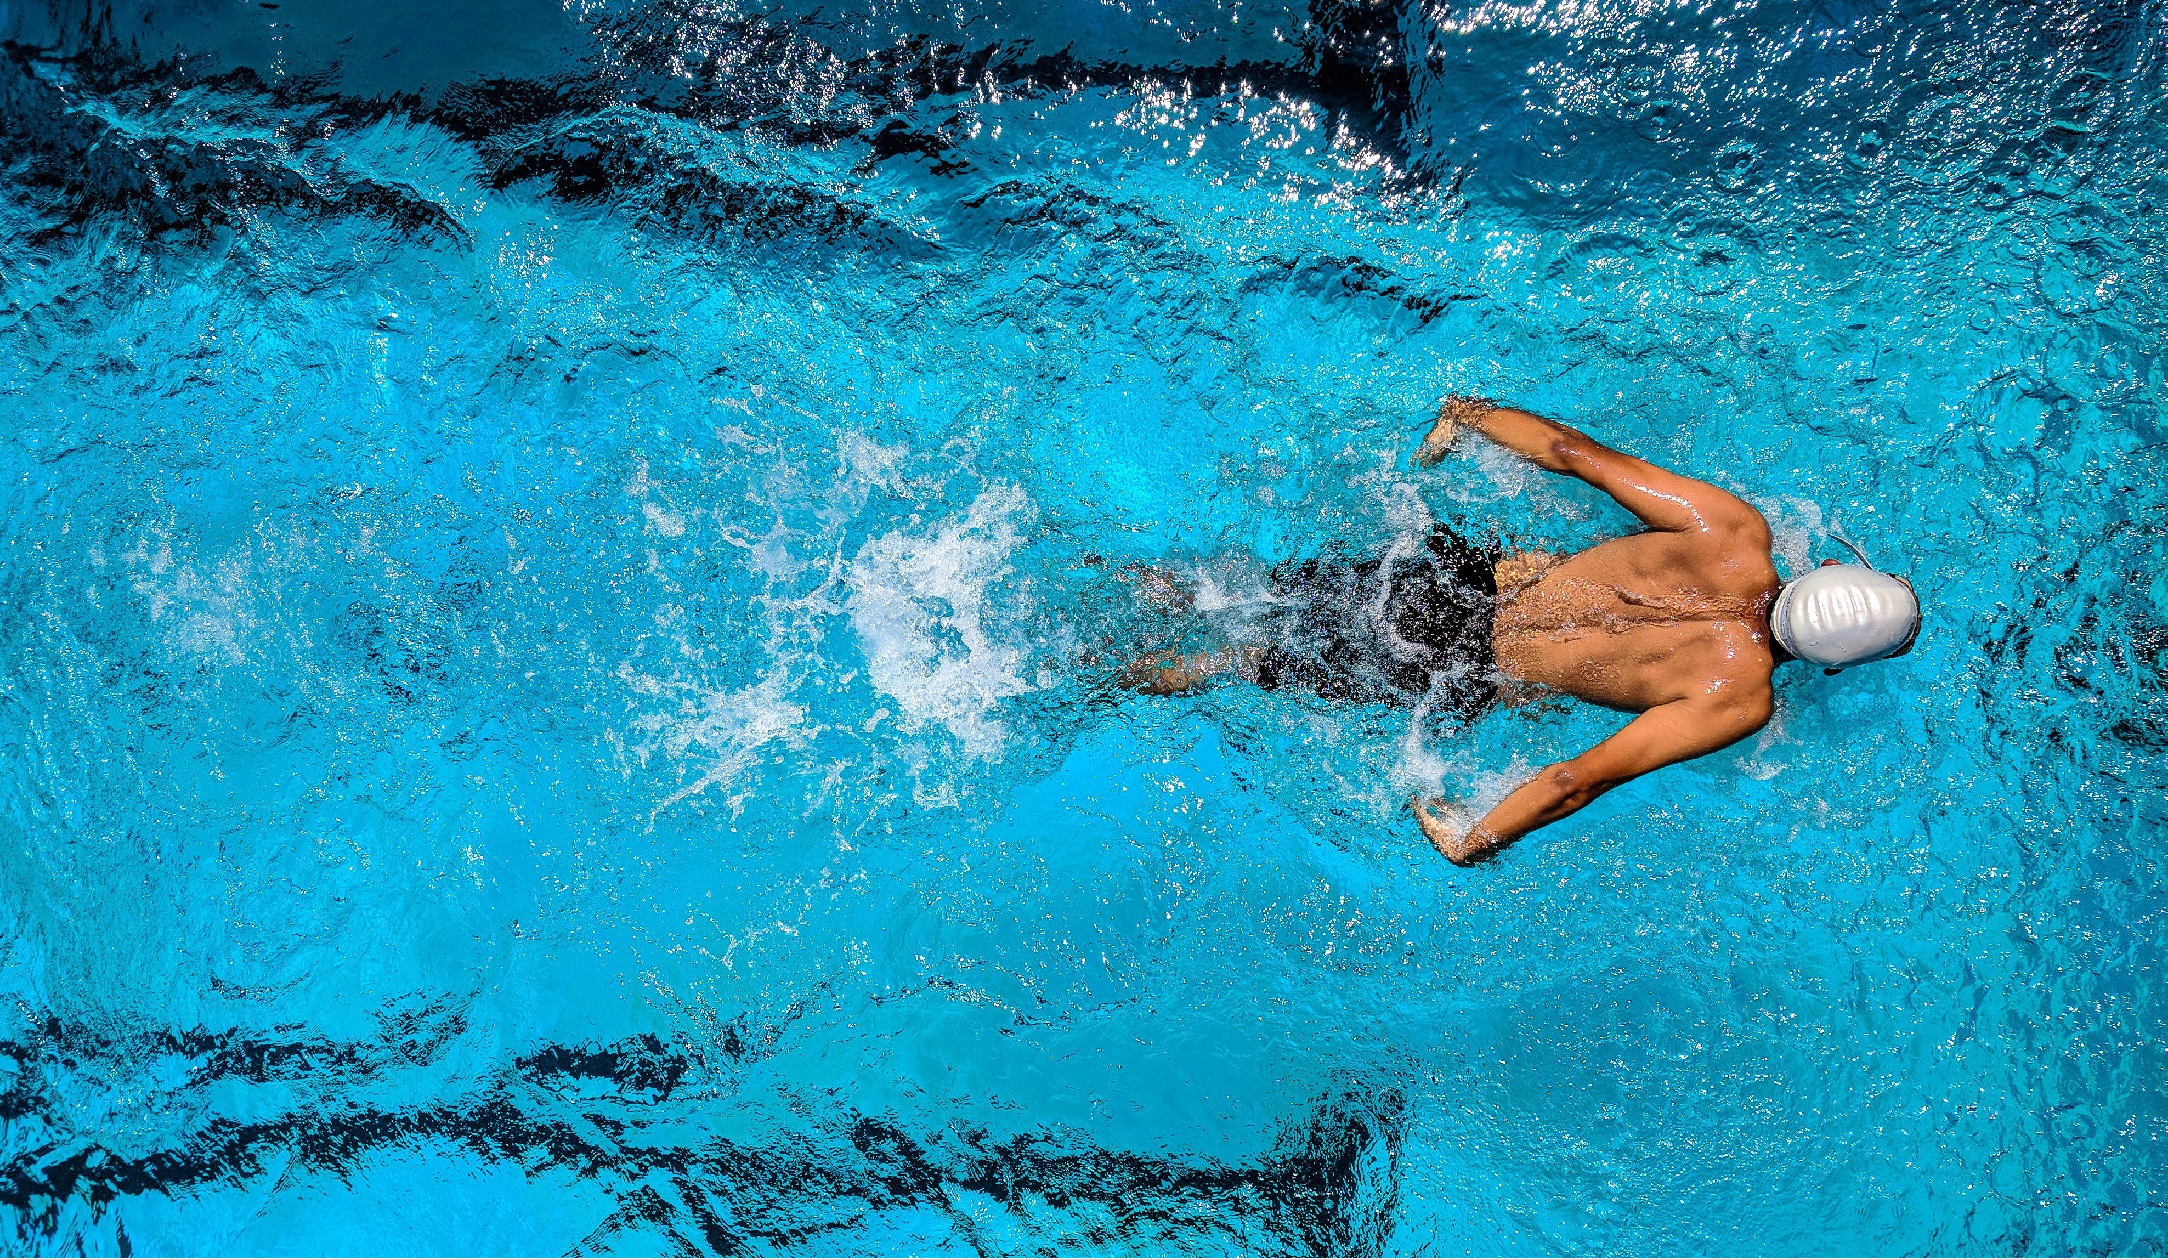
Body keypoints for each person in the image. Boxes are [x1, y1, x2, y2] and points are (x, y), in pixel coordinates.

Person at [1124, 396, 1921, 865]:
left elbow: (1575, 453)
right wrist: (1475, 838)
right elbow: (1579, 778)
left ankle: (1124, 575)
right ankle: (1096, 673)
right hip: (1456, 665)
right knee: (1241, 661)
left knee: (1242, 591)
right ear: (1834, 665)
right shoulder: (1739, 696)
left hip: (1451, 575)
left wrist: (1469, 416)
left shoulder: (1735, 531)